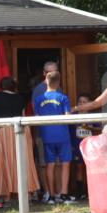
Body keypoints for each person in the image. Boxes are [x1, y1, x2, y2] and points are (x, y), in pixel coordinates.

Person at [33, 71, 74, 204]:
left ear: (46, 80)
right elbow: (68, 116)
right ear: (59, 82)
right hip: (62, 135)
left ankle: (50, 195)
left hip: (47, 136)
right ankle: (63, 193)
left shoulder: (38, 99)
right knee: (65, 164)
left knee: (49, 165)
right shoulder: (63, 97)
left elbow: (37, 118)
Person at [69, 95, 102, 200]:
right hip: (77, 144)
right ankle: (79, 191)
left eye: (85, 102)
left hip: (90, 145)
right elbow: (69, 130)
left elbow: (99, 127)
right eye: (80, 102)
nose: (82, 104)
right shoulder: (73, 115)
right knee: (78, 167)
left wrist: (91, 127)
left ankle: (89, 190)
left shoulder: (92, 116)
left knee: (89, 167)